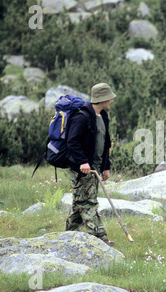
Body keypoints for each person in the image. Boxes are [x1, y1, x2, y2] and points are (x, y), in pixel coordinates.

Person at [65, 83, 116, 246]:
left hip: (96, 169)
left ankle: (68, 236)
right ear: (101, 99)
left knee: (79, 204)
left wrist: (106, 167)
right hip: (83, 170)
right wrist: (82, 162)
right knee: (88, 203)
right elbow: (72, 142)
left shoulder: (104, 116)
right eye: (110, 97)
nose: (112, 101)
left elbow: (106, 142)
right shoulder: (82, 117)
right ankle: (101, 240)